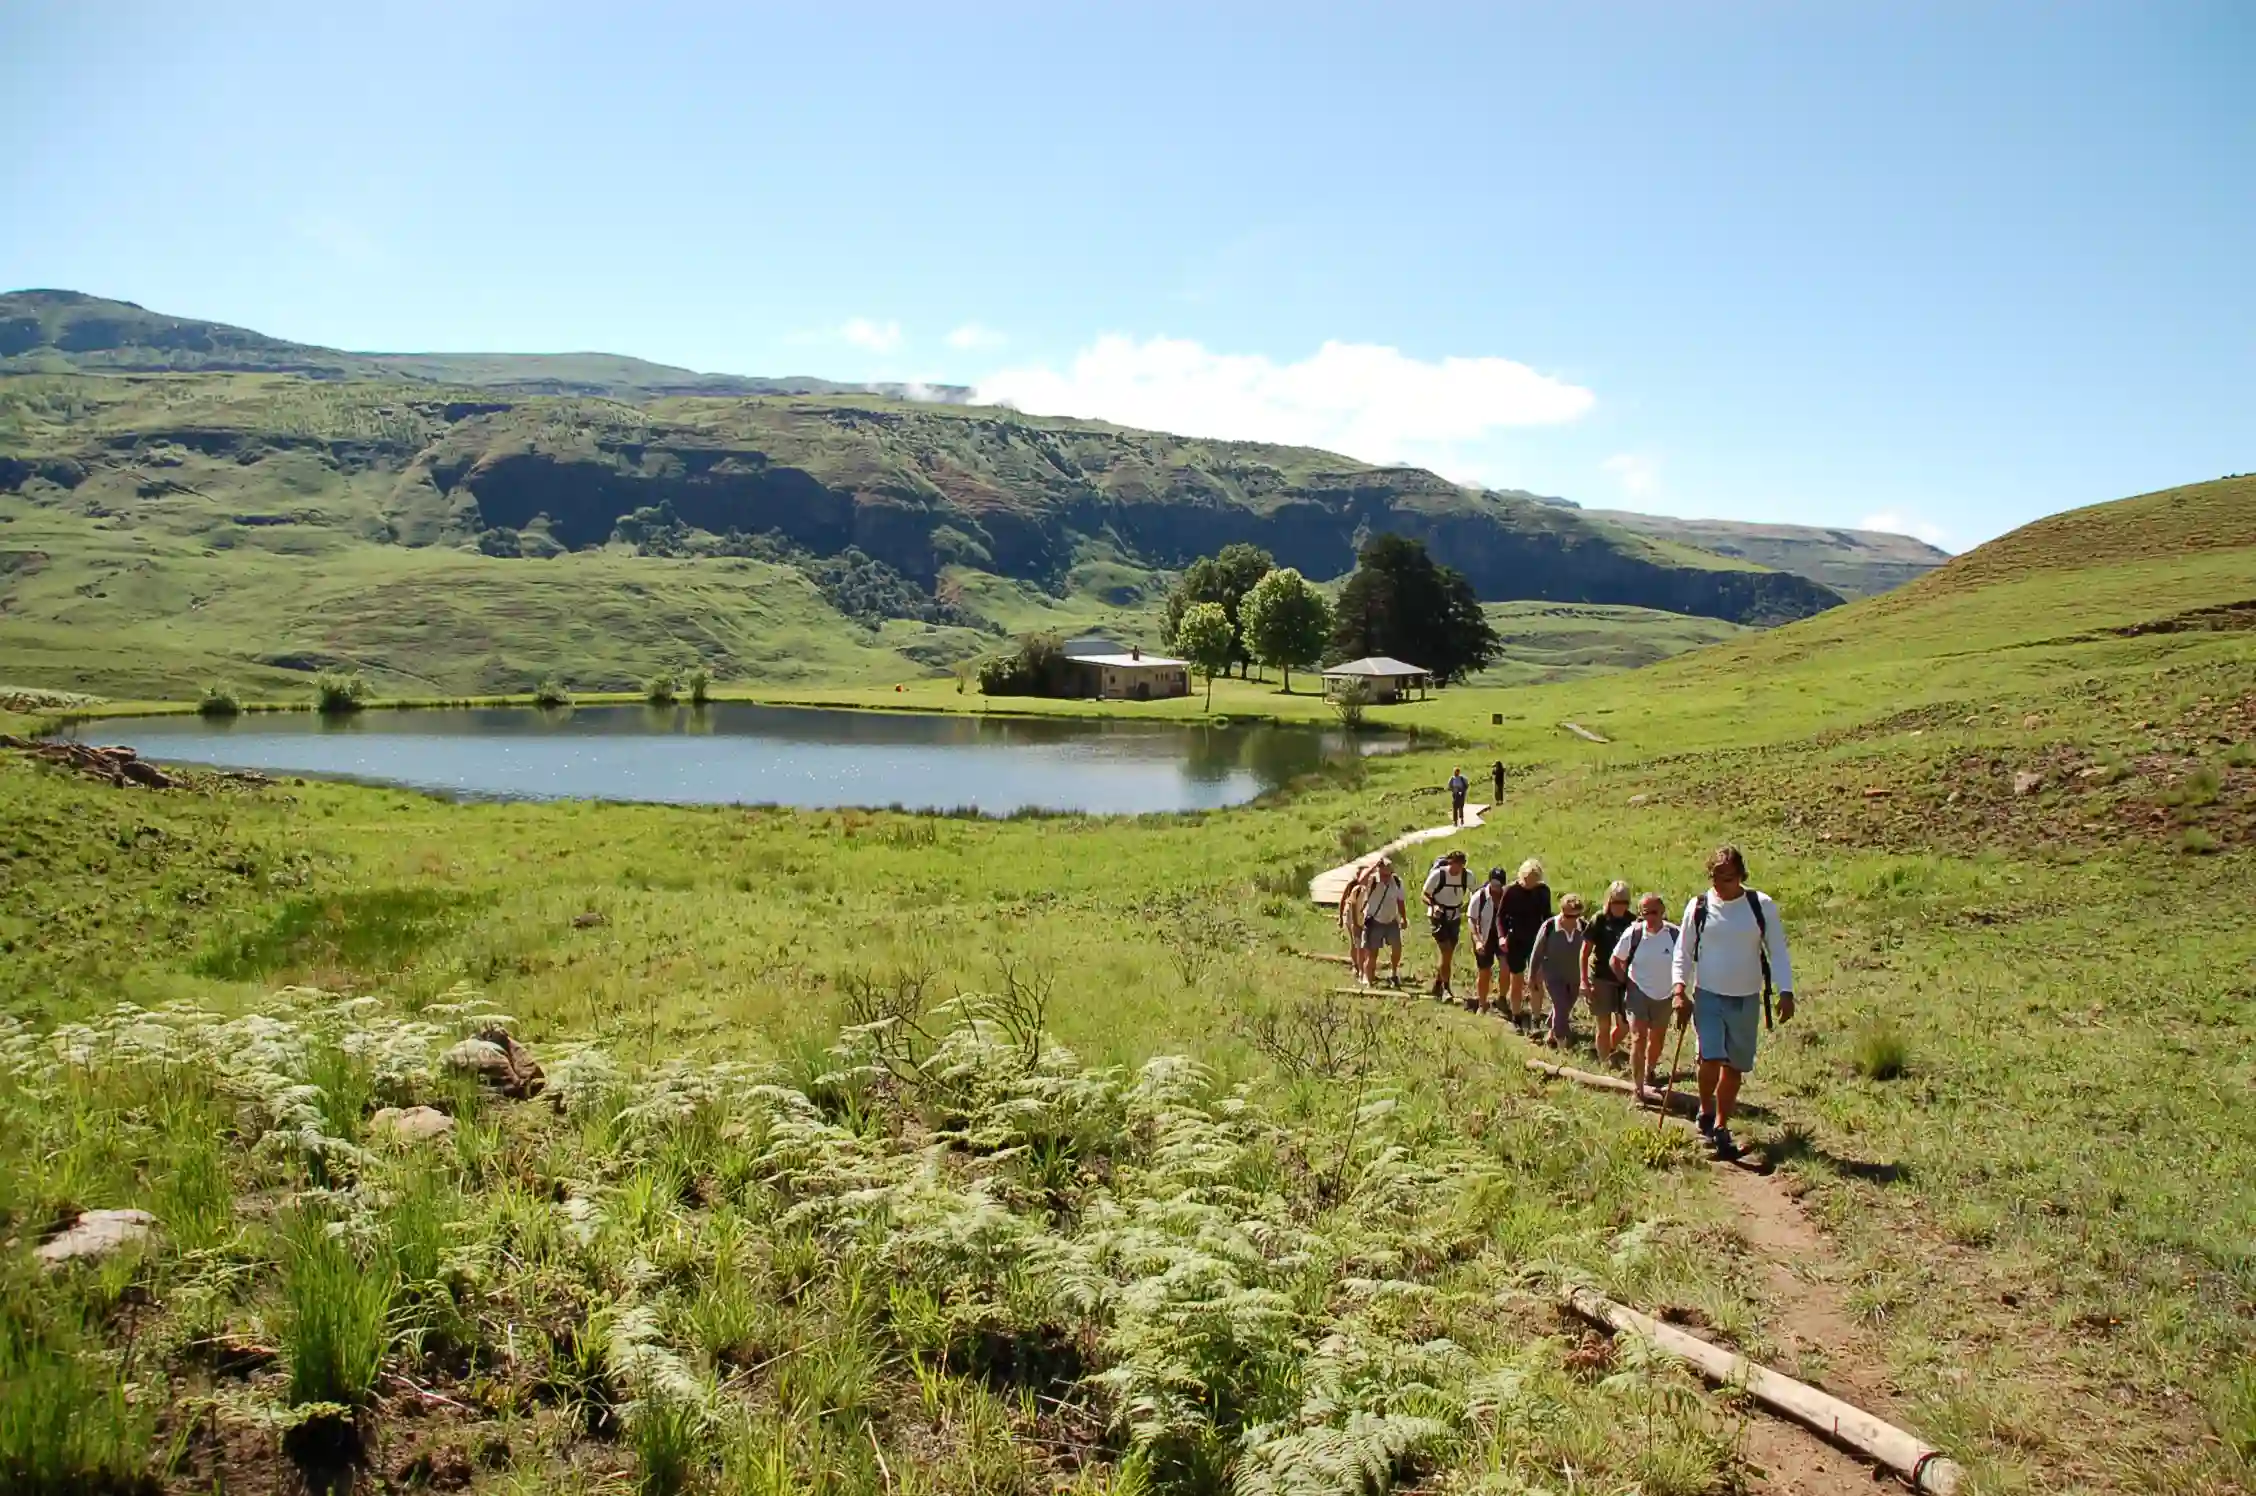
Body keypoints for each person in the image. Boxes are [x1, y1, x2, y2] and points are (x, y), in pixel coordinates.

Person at [1670, 845, 1795, 1161]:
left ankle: (1722, 1125)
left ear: (1741, 876)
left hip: (1747, 997)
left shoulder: (1759, 905)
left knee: (1734, 1066)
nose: (1720, 885)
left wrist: (1786, 991)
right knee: (1710, 1057)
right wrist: (1679, 989)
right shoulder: (1698, 906)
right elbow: (1683, 951)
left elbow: (1777, 950)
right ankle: (1707, 1112)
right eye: (1715, 877)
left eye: (1727, 878)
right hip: (1708, 994)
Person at [1611, 891, 1680, 1104]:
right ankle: (1638, 1088)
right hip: (1638, 992)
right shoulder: (1634, 933)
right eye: (1645, 912)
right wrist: (1626, 982)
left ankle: (1650, 1070)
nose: (1650, 916)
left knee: (1657, 1038)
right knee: (1638, 1038)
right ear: (1640, 913)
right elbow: (1615, 960)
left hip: (1665, 994)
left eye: (1655, 912)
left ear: (1663, 912)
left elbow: (1686, 961)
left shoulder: (1675, 934)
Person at [1583, 881, 1636, 1068]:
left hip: (1623, 979)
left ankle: (1608, 1048)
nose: (1620, 907)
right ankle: (1604, 1062)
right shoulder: (1600, 920)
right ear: (1610, 901)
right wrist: (1584, 981)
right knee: (1603, 1024)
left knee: (1625, 1024)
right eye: (1617, 902)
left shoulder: (1633, 921)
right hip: (1601, 977)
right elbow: (1585, 951)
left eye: (1624, 903)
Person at [1527, 894, 1589, 1049]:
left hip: (1575, 975)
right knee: (1561, 1006)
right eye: (1568, 916)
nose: (1572, 920)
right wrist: (1532, 976)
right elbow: (1537, 952)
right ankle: (1562, 1043)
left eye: (1576, 916)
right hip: (1554, 975)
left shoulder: (1584, 927)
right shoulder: (1549, 927)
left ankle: (1551, 1030)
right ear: (1561, 911)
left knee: (1565, 1007)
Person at [1498, 858, 1553, 1033]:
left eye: (1533, 882)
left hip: (1536, 939)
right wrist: (1502, 937)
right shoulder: (1511, 891)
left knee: (1537, 979)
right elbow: (1500, 917)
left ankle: (1536, 1018)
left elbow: (1547, 916)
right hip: (1516, 939)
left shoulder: (1543, 891)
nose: (1529, 885)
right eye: (1527, 882)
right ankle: (1516, 1016)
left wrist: (1550, 938)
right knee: (1517, 979)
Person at [1422, 850, 1472, 1001]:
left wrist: (1468, 906)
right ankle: (1446, 988)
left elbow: (1476, 892)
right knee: (1446, 950)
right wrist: (1434, 905)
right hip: (1438, 917)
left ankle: (1438, 984)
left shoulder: (1467, 876)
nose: (1457, 868)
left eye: (1461, 865)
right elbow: (1424, 894)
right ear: (1449, 862)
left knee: (1448, 954)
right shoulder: (1438, 875)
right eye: (1455, 864)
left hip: (1454, 917)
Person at [1465, 866, 1509, 1014]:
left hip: (1502, 936)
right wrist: (1477, 940)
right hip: (1484, 936)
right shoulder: (1479, 897)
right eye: (1494, 883)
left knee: (1505, 967)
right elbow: (1472, 920)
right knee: (1484, 972)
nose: (1496, 887)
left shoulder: (1507, 897)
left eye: (1499, 884)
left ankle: (1502, 998)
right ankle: (1482, 1003)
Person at [1362, 856, 1408, 989]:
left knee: (1397, 948)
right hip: (1375, 921)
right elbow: (1361, 880)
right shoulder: (1373, 880)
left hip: (1391, 920)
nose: (1385, 877)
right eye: (1383, 874)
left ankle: (1393, 973)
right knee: (1372, 953)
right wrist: (1373, 867)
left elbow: (1400, 902)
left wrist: (1404, 918)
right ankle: (1368, 978)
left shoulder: (1397, 882)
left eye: (1388, 874)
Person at [1339, 864, 1375, 987]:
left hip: (1363, 918)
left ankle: (1362, 967)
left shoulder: (1371, 886)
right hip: (1351, 917)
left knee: (1362, 944)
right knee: (1356, 944)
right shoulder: (1354, 886)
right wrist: (1341, 918)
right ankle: (1357, 966)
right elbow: (1344, 901)